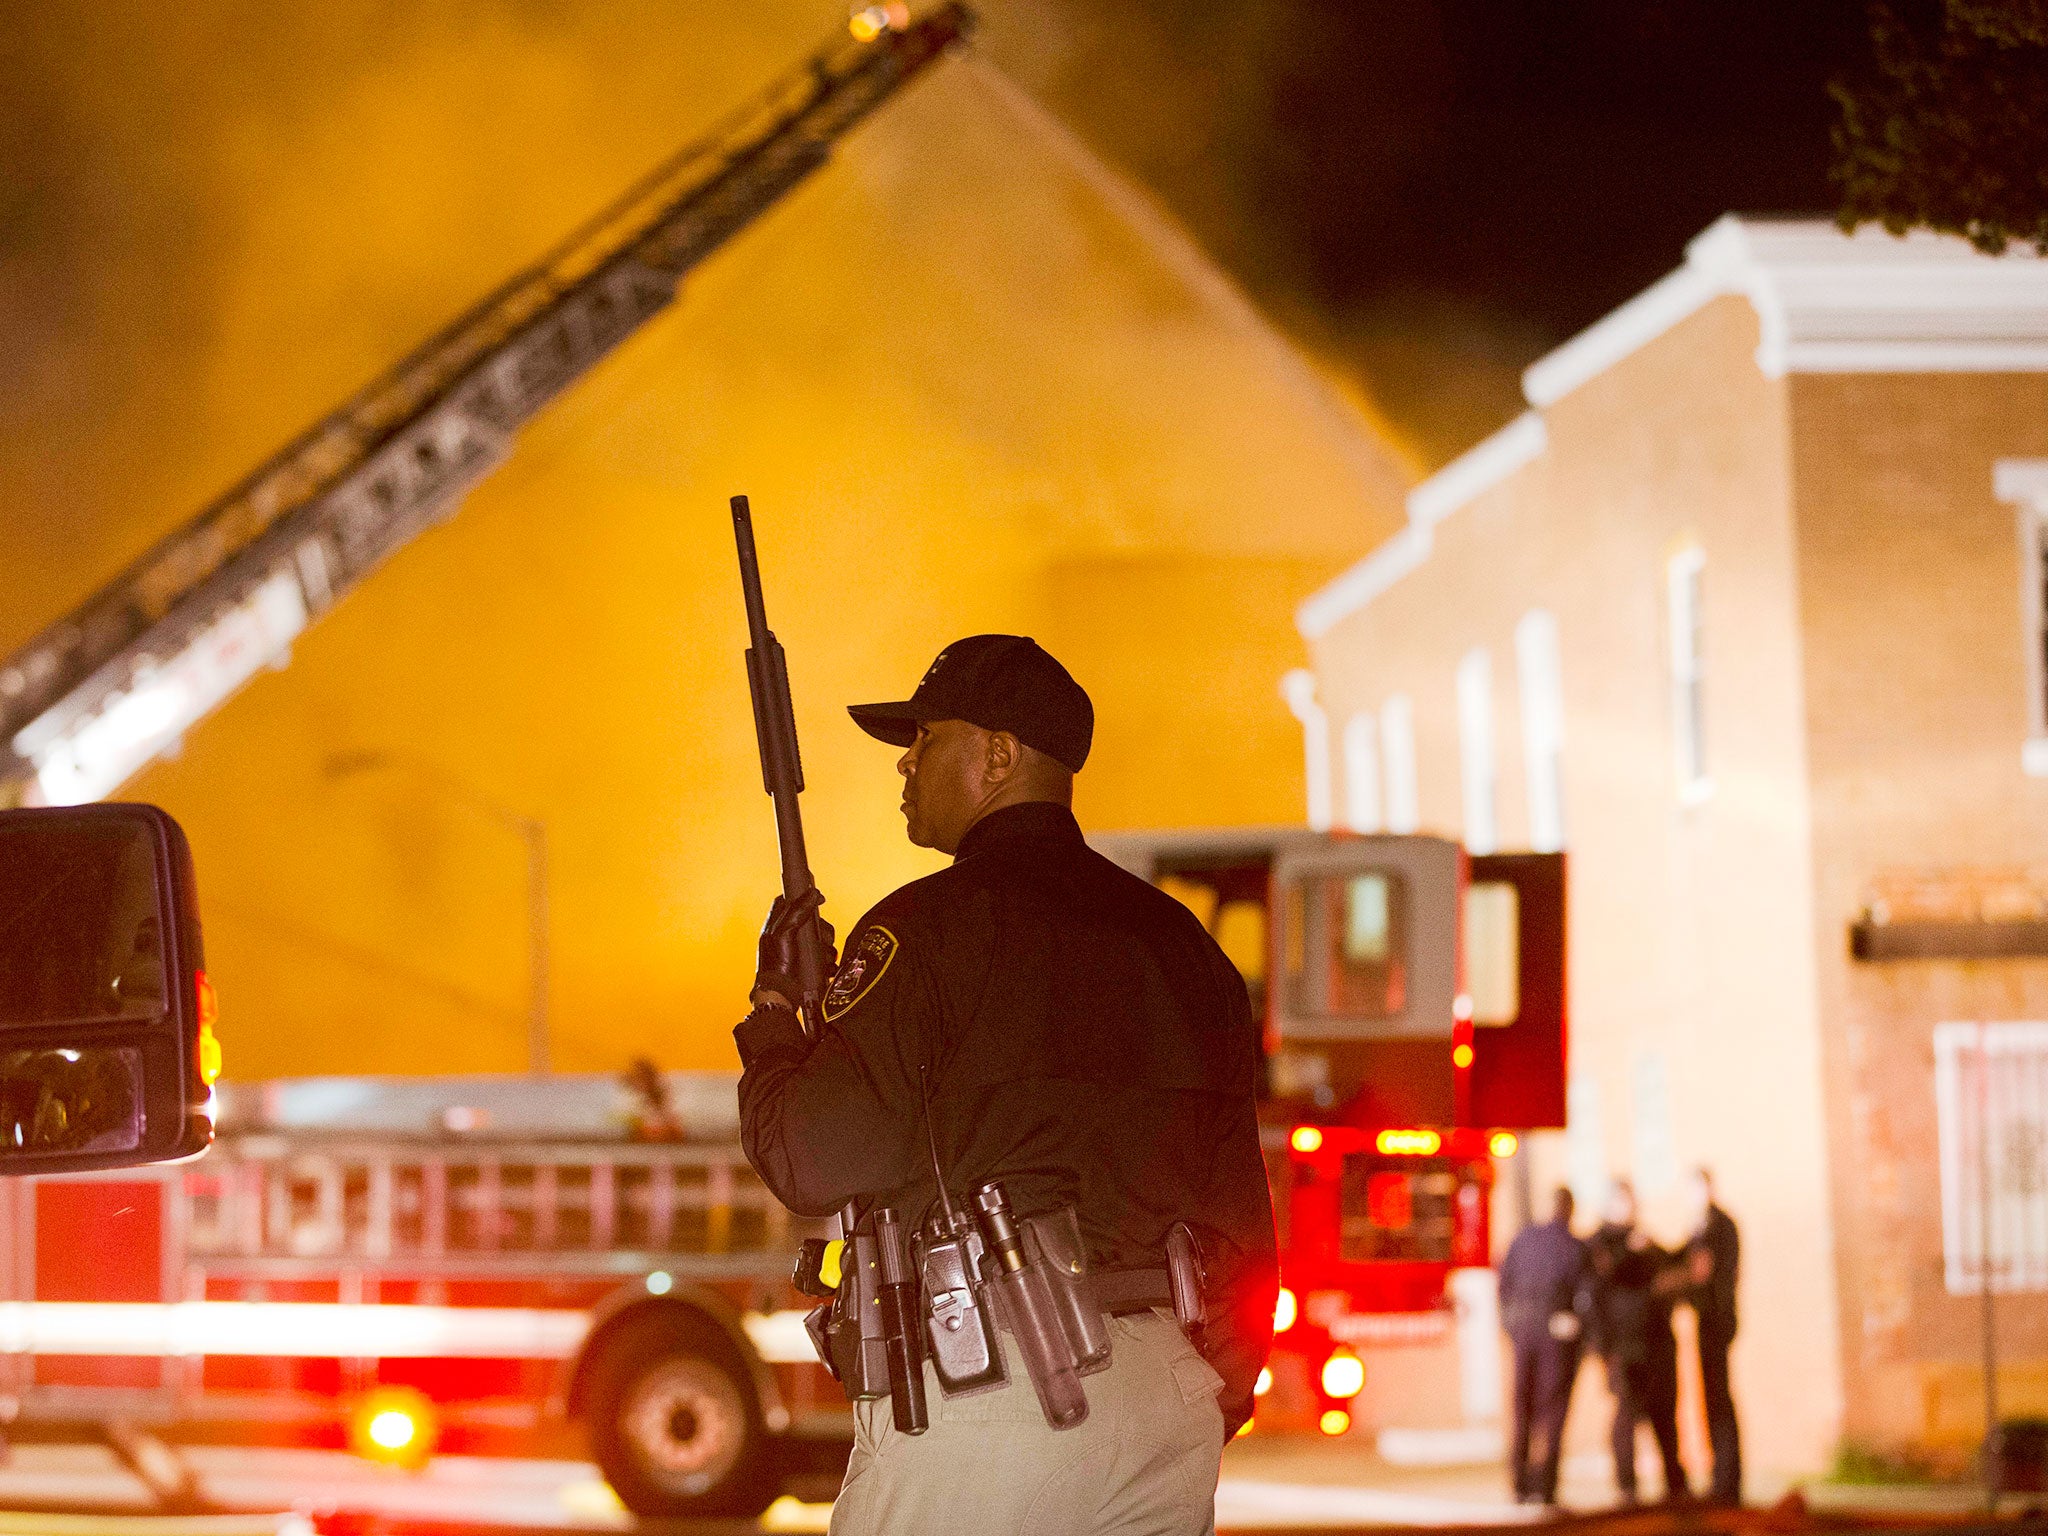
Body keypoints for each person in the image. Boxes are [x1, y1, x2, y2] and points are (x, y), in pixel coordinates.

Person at [733, 634, 1278, 1535]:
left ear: (996, 755)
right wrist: (1209, 1393)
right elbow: (1242, 1213)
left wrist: (777, 1017)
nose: (905, 762)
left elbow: (815, 1158)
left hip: (994, 1385)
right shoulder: (1187, 949)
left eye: (926, 738)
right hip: (1166, 1400)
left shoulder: (925, 930)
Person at [1585, 1179, 1688, 1505]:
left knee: (1664, 1414)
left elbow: (1671, 1269)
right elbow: (1600, 1289)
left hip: (1656, 1342)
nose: (1629, 1209)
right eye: (1622, 1202)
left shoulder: (1645, 1243)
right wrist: (1602, 1347)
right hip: (1623, 1346)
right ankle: (1627, 1486)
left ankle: (1675, 1482)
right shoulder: (1601, 1246)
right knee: (1627, 1415)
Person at [1498, 1186, 1587, 1507]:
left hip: (1524, 1331)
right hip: (1554, 1337)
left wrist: (1511, 1325)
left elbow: (1503, 1285)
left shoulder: (1523, 1240)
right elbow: (1584, 1296)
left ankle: (1520, 1482)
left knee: (1523, 1407)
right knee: (1553, 1409)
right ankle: (1545, 1484)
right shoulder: (1574, 1247)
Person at [1684, 1168, 1741, 1505]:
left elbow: (1701, 1270)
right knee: (1716, 1397)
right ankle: (1723, 1476)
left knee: (1718, 1398)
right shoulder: (1714, 1224)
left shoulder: (1714, 1224)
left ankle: (1726, 1480)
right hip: (1715, 1318)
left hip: (1715, 1320)